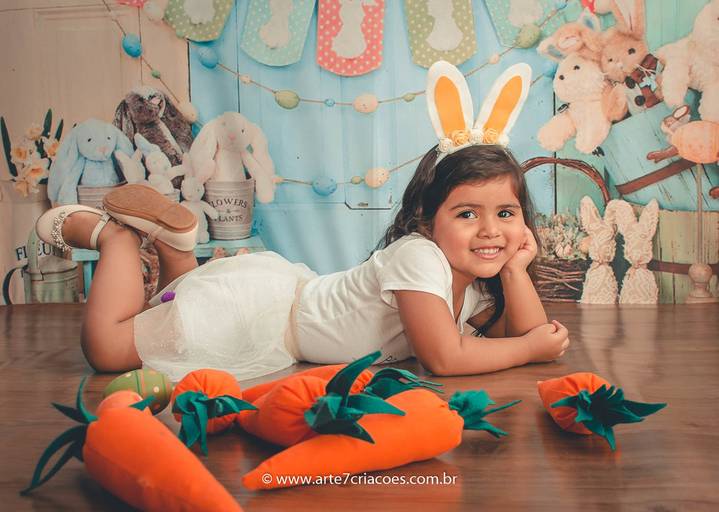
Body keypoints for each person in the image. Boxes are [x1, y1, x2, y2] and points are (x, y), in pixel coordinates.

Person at [34, 61, 569, 381]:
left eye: (506, 213)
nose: (490, 230)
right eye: (467, 213)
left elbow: (525, 333)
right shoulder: (419, 256)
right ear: (428, 220)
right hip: (265, 317)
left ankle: (177, 249)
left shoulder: (472, 284)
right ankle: (114, 238)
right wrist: (529, 349)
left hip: (279, 308)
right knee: (109, 351)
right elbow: (447, 359)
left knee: (178, 311)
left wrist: (515, 270)